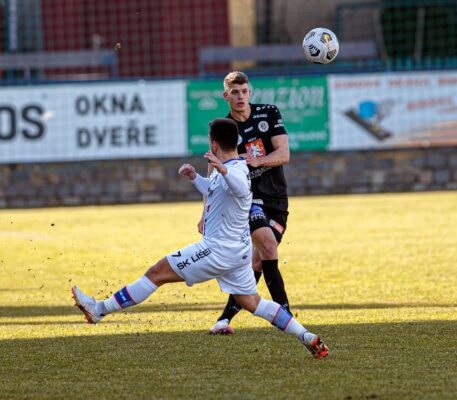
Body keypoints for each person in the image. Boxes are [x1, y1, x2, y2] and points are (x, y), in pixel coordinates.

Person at [71, 118, 328, 359]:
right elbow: (217, 190)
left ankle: (99, 309)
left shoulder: (235, 169)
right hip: (237, 254)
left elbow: (238, 187)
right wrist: (196, 178)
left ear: (213, 143)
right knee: (253, 303)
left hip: (217, 250)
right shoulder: (225, 169)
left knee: (156, 273)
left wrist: (223, 172)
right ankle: (306, 335)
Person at [207, 71, 293, 335]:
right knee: (267, 246)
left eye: (244, 91)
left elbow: (284, 153)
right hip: (247, 200)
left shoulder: (269, 113)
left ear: (250, 92)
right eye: (235, 92)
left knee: (257, 262)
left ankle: (224, 319)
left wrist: (258, 160)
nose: (240, 96)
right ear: (226, 96)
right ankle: (285, 314)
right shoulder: (224, 127)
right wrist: (205, 213)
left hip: (276, 198)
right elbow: (213, 172)